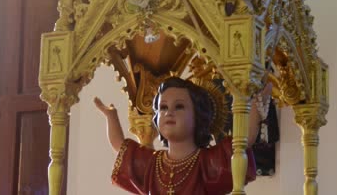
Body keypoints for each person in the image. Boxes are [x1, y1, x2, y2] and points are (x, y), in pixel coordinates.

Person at [95, 77, 271, 194]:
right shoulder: (153, 163)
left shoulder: (207, 161)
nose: (169, 113)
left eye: (179, 106)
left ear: (198, 116)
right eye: (163, 108)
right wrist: (111, 116)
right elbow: (120, 145)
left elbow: (244, 140)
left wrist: (257, 104)